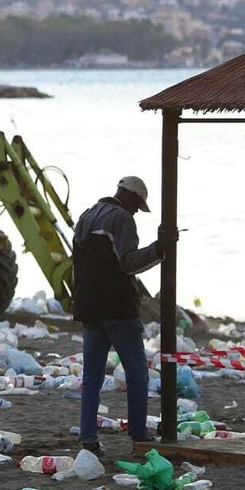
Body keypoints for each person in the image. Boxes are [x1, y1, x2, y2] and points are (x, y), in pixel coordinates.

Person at [73, 174, 167, 454]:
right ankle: (139, 434)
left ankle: (88, 438)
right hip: (117, 309)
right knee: (138, 375)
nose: (137, 210)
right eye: (138, 205)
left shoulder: (86, 216)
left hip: (88, 309)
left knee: (92, 377)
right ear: (130, 198)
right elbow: (127, 263)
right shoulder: (122, 219)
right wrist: (158, 250)